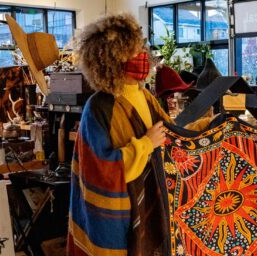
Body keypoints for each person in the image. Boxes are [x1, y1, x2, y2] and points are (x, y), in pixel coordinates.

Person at [67, 14, 213, 256]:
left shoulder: (145, 97)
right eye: (133, 52)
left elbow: (173, 135)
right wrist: (145, 145)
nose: (142, 57)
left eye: (140, 49)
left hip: (147, 204)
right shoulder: (99, 107)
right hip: (117, 216)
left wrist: (209, 125)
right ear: (112, 60)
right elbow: (100, 171)